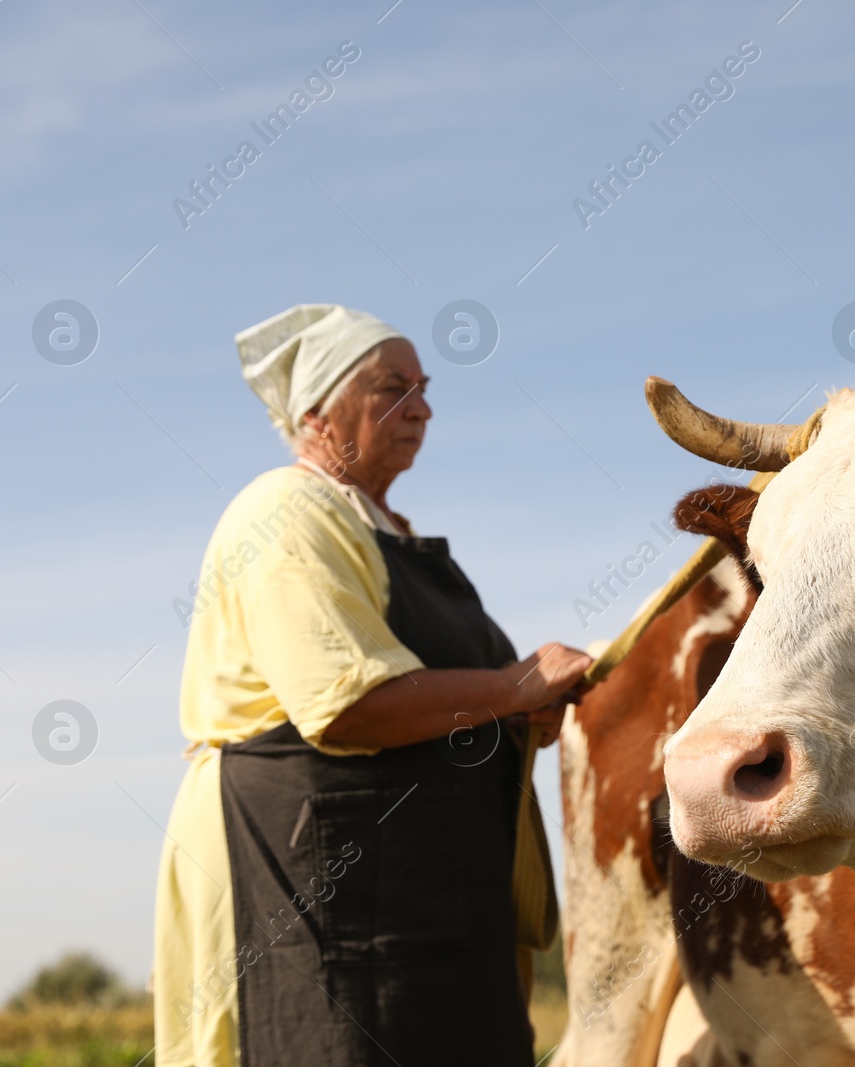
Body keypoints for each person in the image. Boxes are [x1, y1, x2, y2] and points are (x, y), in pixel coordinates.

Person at [152, 304, 591, 1067]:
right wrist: (512, 690)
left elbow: (465, 697)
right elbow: (346, 703)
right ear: (319, 411)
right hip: (311, 880)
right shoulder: (287, 513)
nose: (421, 407)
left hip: (432, 889)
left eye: (423, 388)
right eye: (393, 387)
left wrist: (520, 716)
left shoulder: (394, 534)